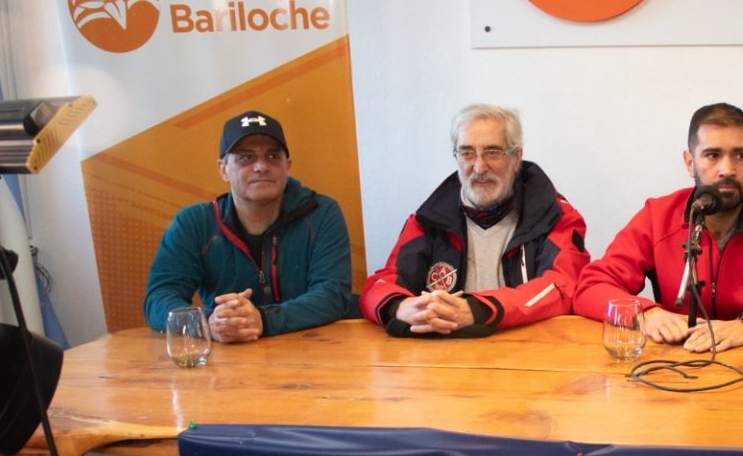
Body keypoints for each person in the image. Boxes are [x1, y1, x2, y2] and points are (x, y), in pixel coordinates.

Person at [573, 103, 743, 352]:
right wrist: (646, 313)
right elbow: (591, 287)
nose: (727, 169)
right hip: (676, 360)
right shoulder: (657, 216)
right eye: (712, 155)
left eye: (740, 156)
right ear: (689, 162)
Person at [360, 104, 587, 338]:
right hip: (443, 359)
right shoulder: (428, 219)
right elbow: (378, 286)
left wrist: (480, 310)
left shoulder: (555, 217)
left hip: (529, 352)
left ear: (516, 157)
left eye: (492, 152)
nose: (479, 167)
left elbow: (561, 287)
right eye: (467, 153)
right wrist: (401, 307)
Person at [144, 110, 353, 343]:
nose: (261, 166)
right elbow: (159, 298)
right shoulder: (193, 223)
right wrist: (208, 323)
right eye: (246, 158)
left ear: (288, 165)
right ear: (223, 169)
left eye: (273, 156)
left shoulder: (322, 213)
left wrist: (263, 319)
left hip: (312, 352)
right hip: (227, 359)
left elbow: (332, 295)